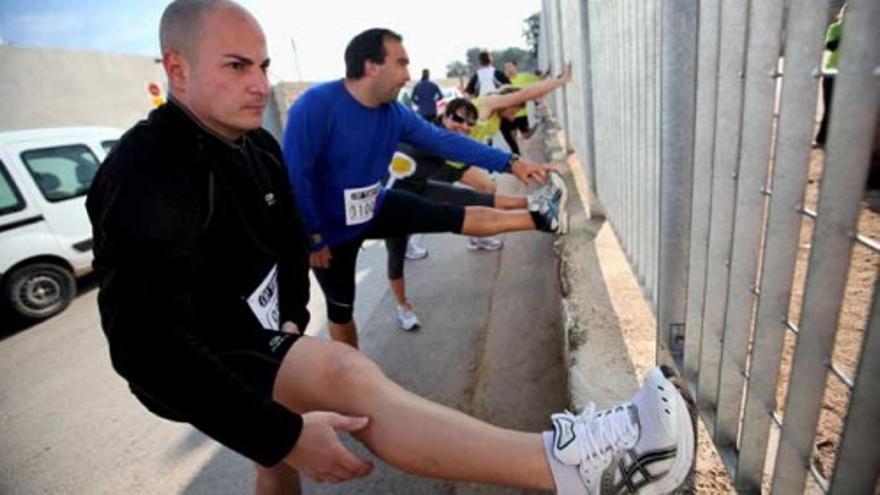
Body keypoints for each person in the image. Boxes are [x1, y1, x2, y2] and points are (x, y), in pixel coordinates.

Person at [86, 2, 697, 494]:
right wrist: (283, 434)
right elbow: (148, 350)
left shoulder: (256, 143)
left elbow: (282, 235)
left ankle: (538, 225)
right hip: (197, 352)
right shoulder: (147, 169)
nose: (259, 85)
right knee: (344, 377)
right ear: (177, 68)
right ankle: (583, 469)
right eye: (238, 66)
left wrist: (295, 315)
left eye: (264, 67)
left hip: (288, 298)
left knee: (280, 445)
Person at [283, 28, 568, 350]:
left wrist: (512, 162)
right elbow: (295, 177)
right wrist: (314, 235)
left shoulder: (394, 113)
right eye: (401, 64)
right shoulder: (315, 106)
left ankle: (545, 217)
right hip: (330, 237)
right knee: (341, 311)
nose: (408, 75)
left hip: (375, 206)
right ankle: (352, 376)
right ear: (370, 65)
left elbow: (445, 141)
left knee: (450, 215)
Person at [384, 97, 557, 330]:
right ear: (444, 115)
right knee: (396, 254)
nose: (464, 126)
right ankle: (403, 306)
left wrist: (514, 163)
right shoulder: (419, 130)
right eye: (458, 119)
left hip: (421, 189)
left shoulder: (449, 149)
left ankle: (537, 203)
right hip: (389, 203)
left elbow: (471, 153)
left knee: (476, 201)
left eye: (469, 124)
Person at [814, 5, 844, 148]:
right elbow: (830, 46)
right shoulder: (835, 28)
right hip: (832, 73)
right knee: (829, 107)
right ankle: (821, 139)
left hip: (848, 75)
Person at [500, 59, 542, 154]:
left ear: (515, 67)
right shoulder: (504, 81)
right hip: (509, 114)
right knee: (512, 137)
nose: (508, 69)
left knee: (526, 135)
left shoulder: (525, 77)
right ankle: (517, 154)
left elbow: (538, 80)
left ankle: (537, 125)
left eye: (510, 66)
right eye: (506, 68)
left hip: (521, 113)